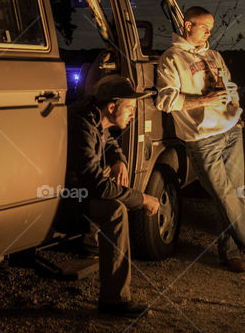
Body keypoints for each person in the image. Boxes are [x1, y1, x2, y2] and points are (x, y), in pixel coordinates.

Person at [156, 7, 245, 273]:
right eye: (204, 26)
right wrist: (203, 100)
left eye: (211, 27)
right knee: (224, 195)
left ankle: (231, 252)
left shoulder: (214, 55)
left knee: (236, 195)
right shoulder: (171, 59)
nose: (209, 32)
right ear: (187, 25)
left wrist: (235, 109)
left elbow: (230, 86)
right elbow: (165, 100)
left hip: (230, 131)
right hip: (202, 138)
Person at [65, 75, 160, 317]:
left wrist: (119, 160)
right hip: (64, 198)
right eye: (129, 108)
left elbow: (107, 141)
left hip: (81, 189)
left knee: (115, 183)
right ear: (111, 107)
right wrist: (143, 198)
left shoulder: (94, 117)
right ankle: (114, 301)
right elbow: (98, 186)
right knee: (115, 210)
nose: (133, 114)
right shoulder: (82, 125)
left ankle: (92, 240)